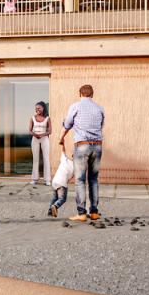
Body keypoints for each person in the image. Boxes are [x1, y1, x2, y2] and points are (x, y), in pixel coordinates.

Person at [60, 84, 104, 222]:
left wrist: (60, 138)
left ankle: (81, 213)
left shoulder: (75, 107)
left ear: (80, 94)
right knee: (93, 179)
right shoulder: (99, 108)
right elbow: (101, 126)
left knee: (79, 180)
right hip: (97, 146)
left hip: (82, 146)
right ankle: (95, 212)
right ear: (92, 94)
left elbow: (67, 124)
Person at [29, 101, 52, 185]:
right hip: (35, 139)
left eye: (38, 108)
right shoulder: (32, 118)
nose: (37, 110)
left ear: (43, 108)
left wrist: (42, 134)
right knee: (35, 158)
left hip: (44, 138)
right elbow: (29, 130)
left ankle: (47, 180)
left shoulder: (47, 118)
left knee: (46, 158)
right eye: (36, 108)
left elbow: (50, 131)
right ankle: (34, 179)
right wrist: (35, 134)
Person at [47, 147, 75, 218]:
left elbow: (63, 150)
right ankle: (55, 206)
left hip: (55, 181)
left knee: (55, 197)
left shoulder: (65, 159)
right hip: (62, 183)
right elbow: (71, 178)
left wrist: (63, 143)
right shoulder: (76, 168)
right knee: (62, 199)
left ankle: (50, 211)